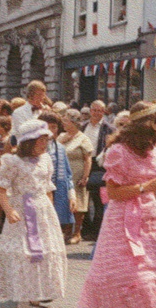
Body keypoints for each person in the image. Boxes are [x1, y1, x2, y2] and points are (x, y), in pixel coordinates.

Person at [76, 101, 156, 308]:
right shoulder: (118, 151)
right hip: (122, 221)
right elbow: (115, 192)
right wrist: (146, 186)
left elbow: (155, 184)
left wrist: (155, 191)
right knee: (125, 279)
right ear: (145, 124)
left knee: (148, 282)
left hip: (149, 219)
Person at [0, 120, 67, 308]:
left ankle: (35, 291)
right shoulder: (13, 161)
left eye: (46, 139)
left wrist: (50, 214)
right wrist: (8, 210)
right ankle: (22, 301)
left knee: (43, 253)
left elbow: (48, 188)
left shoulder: (46, 160)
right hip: (22, 210)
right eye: (41, 139)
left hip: (42, 210)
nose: (45, 143)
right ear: (29, 141)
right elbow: (1, 189)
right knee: (24, 254)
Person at [38, 111, 76, 239]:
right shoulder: (32, 148)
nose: (50, 130)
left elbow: (67, 174)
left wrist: (72, 194)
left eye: (53, 127)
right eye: (46, 127)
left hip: (57, 191)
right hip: (39, 191)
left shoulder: (60, 147)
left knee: (55, 227)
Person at [59, 109, 93, 244]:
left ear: (74, 123)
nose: (64, 124)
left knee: (79, 203)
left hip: (77, 172)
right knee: (65, 202)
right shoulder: (62, 136)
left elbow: (88, 158)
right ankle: (66, 232)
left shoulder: (83, 138)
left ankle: (77, 233)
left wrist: (85, 176)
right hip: (63, 173)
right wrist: (61, 141)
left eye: (66, 121)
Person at [82, 100, 114, 238]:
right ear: (90, 111)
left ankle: (96, 229)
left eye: (100, 110)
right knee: (83, 196)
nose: (96, 113)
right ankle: (86, 228)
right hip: (83, 162)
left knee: (98, 198)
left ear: (104, 111)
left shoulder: (110, 129)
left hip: (99, 164)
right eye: (94, 110)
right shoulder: (82, 127)